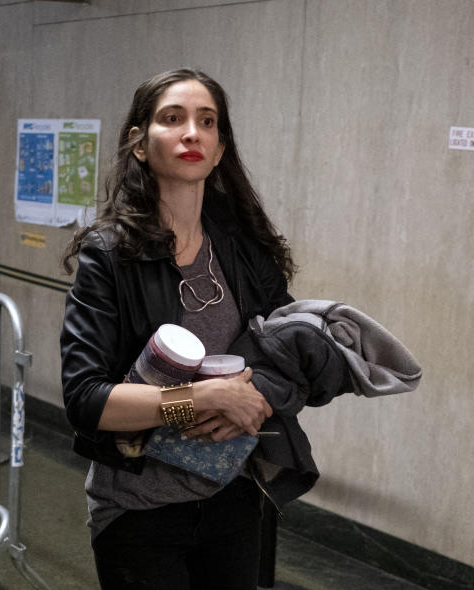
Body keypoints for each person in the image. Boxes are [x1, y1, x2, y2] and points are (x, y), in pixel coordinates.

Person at [60, 69, 296, 589]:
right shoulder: (109, 254)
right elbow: (85, 399)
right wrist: (204, 397)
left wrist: (255, 396)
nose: (192, 132)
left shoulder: (244, 249)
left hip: (234, 498)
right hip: (138, 509)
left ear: (218, 150)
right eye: (173, 118)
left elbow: (292, 355)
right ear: (140, 145)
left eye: (206, 122)